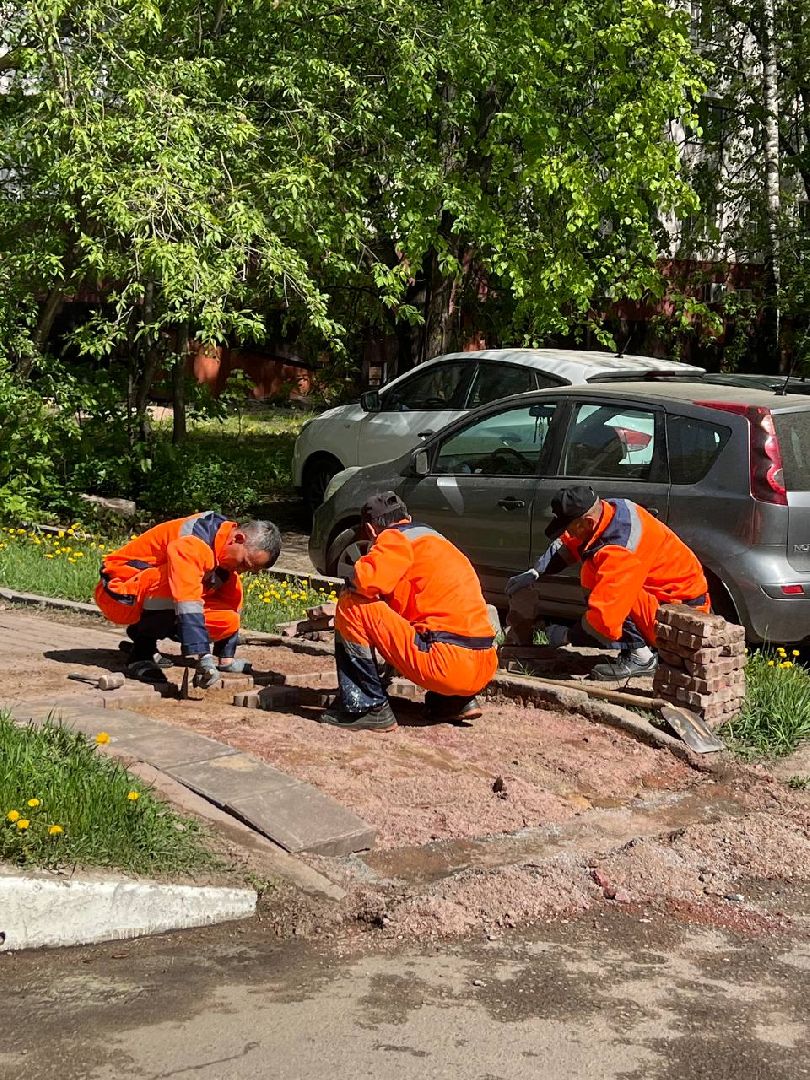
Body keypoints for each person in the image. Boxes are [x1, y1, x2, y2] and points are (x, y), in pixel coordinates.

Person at [320, 491, 498, 732]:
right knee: (431, 619)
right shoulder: (438, 542)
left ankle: (367, 707)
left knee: (352, 603)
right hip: (483, 667)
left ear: (371, 531)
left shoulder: (394, 538)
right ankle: (453, 701)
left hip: (446, 664)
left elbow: (366, 581)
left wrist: (353, 575)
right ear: (408, 517)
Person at [505, 485, 710, 679]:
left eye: (571, 527)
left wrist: (565, 635)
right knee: (595, 569)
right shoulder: (610, 510)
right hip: (666, 600)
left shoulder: (620, 551)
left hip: (681, 619)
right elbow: (571, 544)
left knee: (596, 576)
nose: (569, 533)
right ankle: (644, 647)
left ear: (587, 522)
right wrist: (536, 571)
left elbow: (604, 621)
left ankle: (641, 658)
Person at [95, 511, 281, 686]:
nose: (243, 570)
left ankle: (222, 657)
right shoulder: (194, 543)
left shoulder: (222, 541)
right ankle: (140, 655)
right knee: (173, 581)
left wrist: (223, 657)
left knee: (232, 589)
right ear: (238, 539)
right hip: (118, 593)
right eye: (244, 564)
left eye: (250, 570)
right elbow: (186, 598)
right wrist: (203, 657)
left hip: (145, 593)